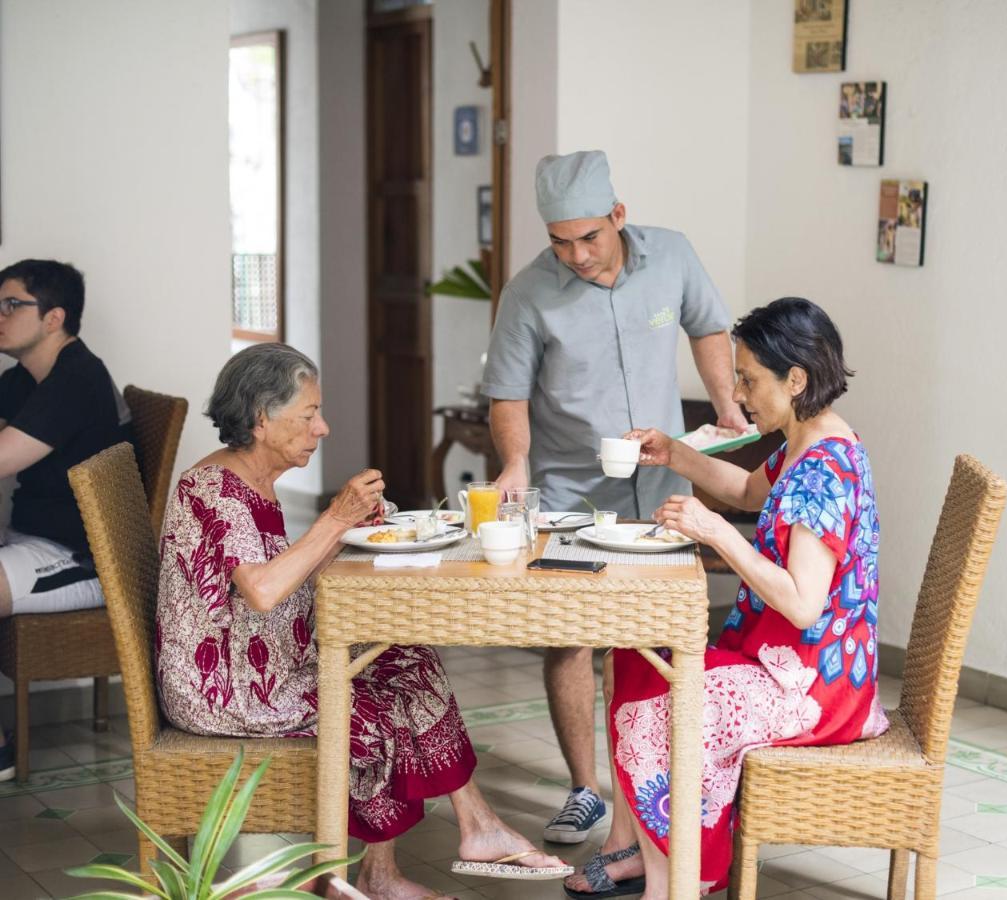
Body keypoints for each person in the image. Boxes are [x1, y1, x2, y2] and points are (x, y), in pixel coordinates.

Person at [155, 344, 568, 900]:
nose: (322, 427)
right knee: (376, 707)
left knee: (405, 653)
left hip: (260, 660)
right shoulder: (214, 489)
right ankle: (385, 875)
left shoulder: (250, 478)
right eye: (308, 415)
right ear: (260, 417)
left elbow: (283, 578)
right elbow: (264, 590)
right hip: (226, 689)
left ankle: (469, 830)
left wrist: (344, 530)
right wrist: (334, 520)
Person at [563, 298, 889, 898]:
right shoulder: (805, 440)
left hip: (813, 689)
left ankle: (675, 882)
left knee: (665, 705)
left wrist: (713, 533)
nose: (738, 394)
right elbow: (744, 489)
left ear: (796, 379)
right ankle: (649, 851)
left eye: (749, 379)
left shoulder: (824, 467)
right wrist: (675, 452)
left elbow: (802, 604)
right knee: (633, 657)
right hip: (786, 666)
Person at [481, 150, 748, 845]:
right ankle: (585, 791)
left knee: (661, 635)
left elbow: (709, 326)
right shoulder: (527, 293)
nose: (576, 254)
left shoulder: (672, 257)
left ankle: (656, 787)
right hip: (570, 487)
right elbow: (507, 394)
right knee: (570, 635)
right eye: (560, 242)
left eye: (589, 237)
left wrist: (725, 403)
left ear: (618, 217)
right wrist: (515, 462)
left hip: (660, 480)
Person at [0, 259, 132, 782]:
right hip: (35, 542)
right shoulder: (23, 379)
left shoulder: (75, 378)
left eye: (12, 305)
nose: (0, 316)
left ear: (53, 318)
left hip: (85, 557)